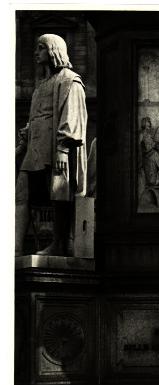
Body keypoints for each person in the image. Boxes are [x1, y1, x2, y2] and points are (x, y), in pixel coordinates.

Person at [15, 34, 87, 256]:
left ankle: (59, 243)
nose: (36, 53)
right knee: (21, 193)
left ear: (53, 50)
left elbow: (71, 115)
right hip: (35, 148)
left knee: (59, 194)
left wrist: (63, 149)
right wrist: (22, 144)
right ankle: (14, 247)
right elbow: (35, 118)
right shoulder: (41, 86)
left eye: (40, 48)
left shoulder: (69, 81)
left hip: (55, 149)